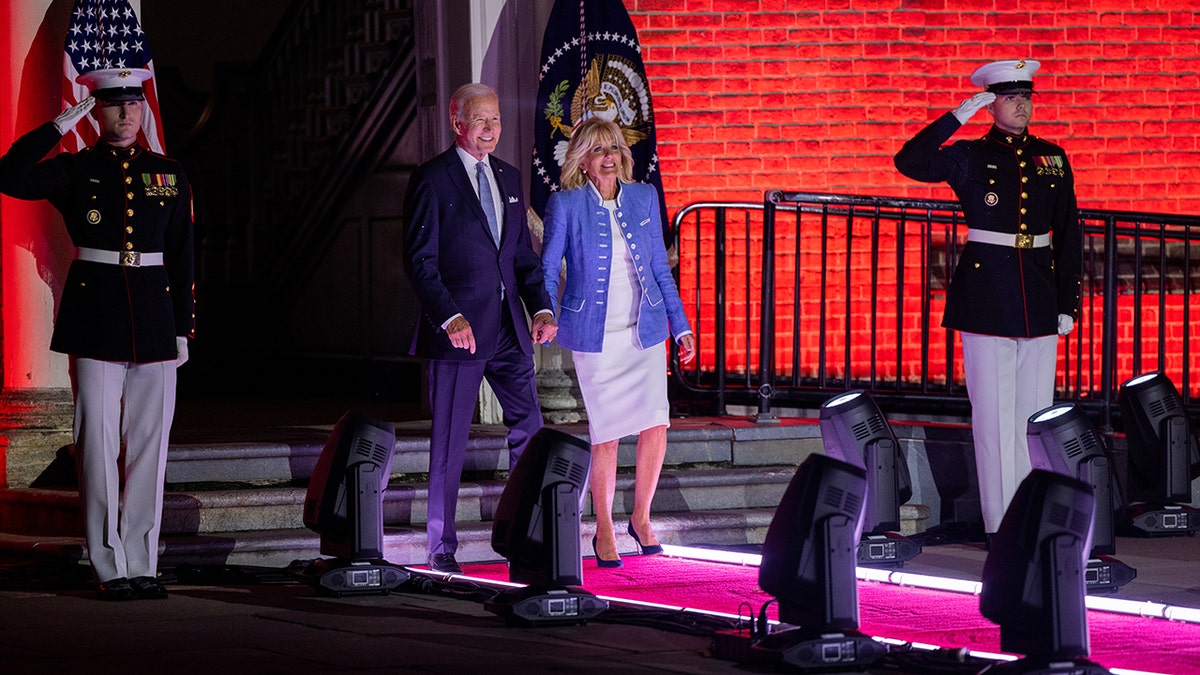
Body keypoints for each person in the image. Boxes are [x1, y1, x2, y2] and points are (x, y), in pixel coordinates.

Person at [0, 68, 195, 599]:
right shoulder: (73, 169)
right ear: (96, 112)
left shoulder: (169, 173)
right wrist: (58, 126)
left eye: (133, 105)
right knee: (97, 448)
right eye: (112, 106)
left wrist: (182, 329)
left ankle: (142, 563)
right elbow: (9, 175)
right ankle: (109, 566)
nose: (125, 114)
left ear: (142, 109)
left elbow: (181, 257)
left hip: (155, 318)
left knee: (150, 451)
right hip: (95, 319)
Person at [894, 59, 1082, 539]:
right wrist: (956, 117)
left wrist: (1068, 301)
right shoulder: (971, 155)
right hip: (987, 295)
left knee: (1034, 415)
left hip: (1038, 293)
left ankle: (1033, 515)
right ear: (991, 103)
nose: (1022, 105)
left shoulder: (1051, 156)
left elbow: (1066, 232)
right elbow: (910, 161)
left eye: (1027, 96)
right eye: (1010, 97)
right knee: (996, 420)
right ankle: (1003, 526)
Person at [403, 83, 558, 575]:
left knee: (529, 432)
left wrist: (541, 309)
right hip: (460, 333)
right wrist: (450, 318)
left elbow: (521, 259)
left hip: (510, 328)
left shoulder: (510, 178)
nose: (492, 128)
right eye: (482, 120)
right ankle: (441, 547)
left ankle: (526, 533)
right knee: (449, 443)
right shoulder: (432, 179)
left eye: (496, 119)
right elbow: (420, 261)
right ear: (458, 124)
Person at [541, 117, 696, 568]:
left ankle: (641, 518)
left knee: (655, 424)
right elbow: (549, 269)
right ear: (583, 162)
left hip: (644, 332)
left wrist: (680, 325)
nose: (608, 156)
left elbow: (660, 271)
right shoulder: (565, 204)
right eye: (597, 150)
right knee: (606, 434)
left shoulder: (644, 196)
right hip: (595, 337)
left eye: (613, 148)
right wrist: (546, 311)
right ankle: (604, 527)